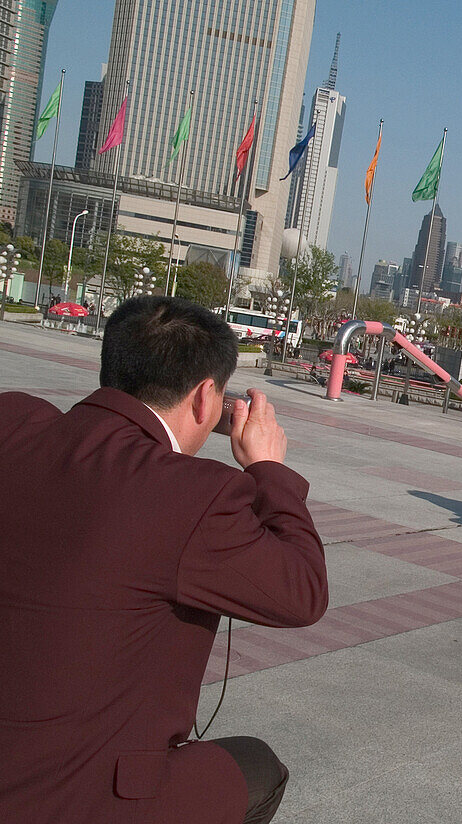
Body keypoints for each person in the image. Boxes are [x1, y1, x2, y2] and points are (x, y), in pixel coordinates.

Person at [0, 296, 328, 824]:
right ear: (206, 398)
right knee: (256, 767)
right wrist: (268, 469)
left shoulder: (13, 420)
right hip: (72, 799)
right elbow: (303, 593)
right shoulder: (194, 494)